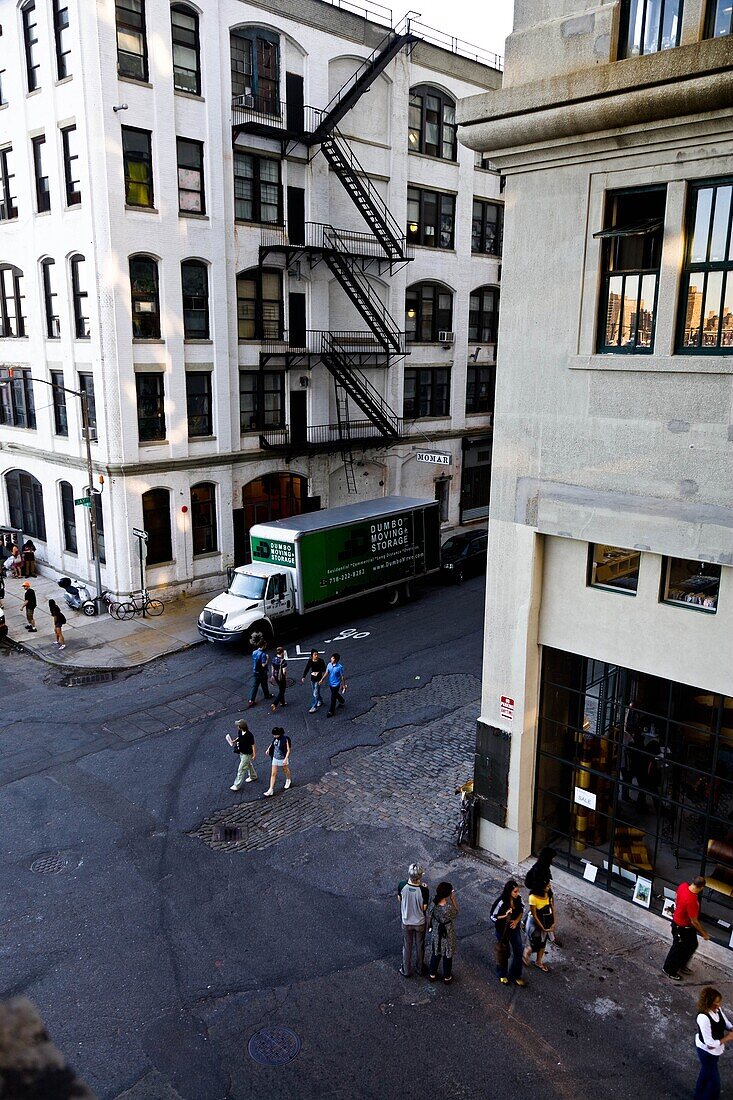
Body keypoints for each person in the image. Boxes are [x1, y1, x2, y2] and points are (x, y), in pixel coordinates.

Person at [663, 876, 709, 980]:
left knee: (692, 945)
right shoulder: (691, 901)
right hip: (681, 926)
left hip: (686, 925)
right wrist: (704, 933)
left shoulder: (683, 885)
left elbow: (676, 896)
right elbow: (694, 921)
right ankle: (669, 969)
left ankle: (681, 965)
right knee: (677, 949)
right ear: (702, 888)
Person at [695, 986, 733, 1100]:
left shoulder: (717, 1009)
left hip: (715, 1052)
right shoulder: (703, 1018)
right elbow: (710, 1044)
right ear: (709, 1003)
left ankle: (698, 1096)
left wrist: (731, 1028)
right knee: (715, 1084)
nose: (719, 1005)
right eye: (716, 1003)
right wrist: (728, 1038)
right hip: (706, 1053)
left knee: (705, 1073)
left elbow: (725, 1022)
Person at [490, 879, 526, 986]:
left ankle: (516, 975)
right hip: (503, 930)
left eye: (518, 891)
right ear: (509, 891)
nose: (517, 893)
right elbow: (492, 916)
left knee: (519, 952)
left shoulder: (519, 899)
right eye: (515, 891)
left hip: (514, 929)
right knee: (504, 953)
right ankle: (502, 974)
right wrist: (505, 916)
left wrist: (516, 921)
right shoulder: (501, 902)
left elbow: (521, 910)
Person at [397, 863, 429, 977]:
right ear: (420, 876)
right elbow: (424, 908)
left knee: (407, 945)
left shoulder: (402, 885)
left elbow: (399, 899)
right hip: (419, 922)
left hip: (406, 921)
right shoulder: (424, 890)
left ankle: (406, 969)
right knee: (420, 945)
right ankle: (420, 968)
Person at [427, 882, 459, 983]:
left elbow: (429, 914)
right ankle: (447, 977)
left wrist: (430, 926)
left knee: (436, 953)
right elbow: (456, 912)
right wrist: (453, 898)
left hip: (436, 929)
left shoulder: (433, 900)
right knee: (447, 955)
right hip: (447, 932)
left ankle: (432, 974)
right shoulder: (448, 908)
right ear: (448, 894)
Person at [523, 881, 555, 972]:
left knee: (543, 942)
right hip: (535, 923)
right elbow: (534, 915)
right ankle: (527, 951)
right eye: (547, 885)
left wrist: (554, 923)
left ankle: (538, 962)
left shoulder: (549, 894)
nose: (550, 886)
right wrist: (542, 927)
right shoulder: (533, 897)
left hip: (546, 922)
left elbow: (552, 908)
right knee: (536, 943)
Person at [264, 726, 291, 796]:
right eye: (274, 735)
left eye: (275, 735)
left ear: (279, 734)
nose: (274, 736)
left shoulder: (285, 739)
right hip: (275, 758)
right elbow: (272, 743)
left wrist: (285, 758)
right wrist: (268, 749)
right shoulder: (275, 738)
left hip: (282, 758)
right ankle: (271, 789)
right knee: (273, 773)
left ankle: (288, 779)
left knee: (285, 770)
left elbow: (288, 750)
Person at [230, 719, 257, 790]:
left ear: (241, 727)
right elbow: (239, 738)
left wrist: (254, 754)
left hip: (247, 754)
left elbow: (253, 745)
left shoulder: (249, 735)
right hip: (241, 752)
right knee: (248, 764)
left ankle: (237, 785)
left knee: (241, 769)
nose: (237, 727)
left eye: (238, 726)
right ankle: (253, 776)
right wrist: (234, 741)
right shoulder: (240, 731)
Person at [248, 639, 272, 707]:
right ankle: (267, 695)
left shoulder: (254, 652)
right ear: (263, 645)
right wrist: (267, 659)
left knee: (255, 686)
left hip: (255, 671)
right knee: (264, 684)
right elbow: (263, 665)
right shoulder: (263, 654)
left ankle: (251, 700)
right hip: (262, 672)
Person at [321, 652, 347, 718]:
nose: (331, 659)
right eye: (331, 657)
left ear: (336, 660)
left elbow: (342, 677)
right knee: (334, 694)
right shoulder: (329, 665)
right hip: (330, 683)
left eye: (332, 658)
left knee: (333, 697)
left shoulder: (339, 667)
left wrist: (344, 685)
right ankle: (341, 700)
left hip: (336, 684)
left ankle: (331, 711)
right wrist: (322, 679)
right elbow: (327, 672)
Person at [301, 649, 326, 713]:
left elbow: (324, 670)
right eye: (315, 655)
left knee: (315, 693)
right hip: (312, 679)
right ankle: (320, 701)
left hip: (318, 679)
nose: (316, 656)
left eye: (317, 654)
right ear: (312, 656)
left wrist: (319, 674)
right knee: (315, 692)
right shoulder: (310, 661)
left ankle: (314, 707)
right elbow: (307, 668)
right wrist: (303, 677)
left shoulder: (321, 661)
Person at [270, 646, 288, 712]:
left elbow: (272, 667)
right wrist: (285, 677)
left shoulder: (274, 659)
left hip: (275, 675)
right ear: (282, 652)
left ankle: (282, 702)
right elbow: (284, 671)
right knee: (282, 691)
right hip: (281, 677)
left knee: (281, 689)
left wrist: (272, 675)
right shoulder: (283, 661)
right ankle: (274, 703)